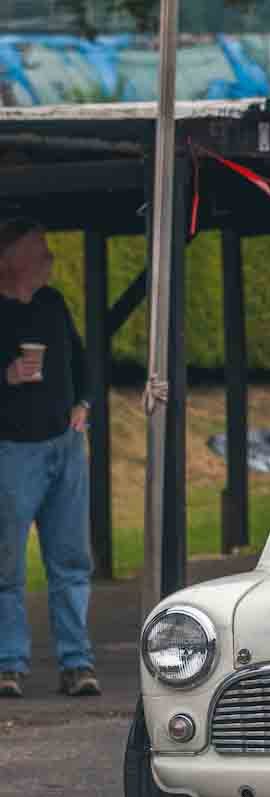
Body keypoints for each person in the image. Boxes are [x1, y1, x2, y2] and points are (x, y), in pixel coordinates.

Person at [0, 219, 98, 698]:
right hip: (11, 452)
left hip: (65, 446)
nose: (48, 255)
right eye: (38, 247)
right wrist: (9, 378)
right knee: (6, 565)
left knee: (72, 559)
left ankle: (77, 663)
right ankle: (8, 664)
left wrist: (84, 404)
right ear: (10, 257)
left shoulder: (53, 303)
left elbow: (82, 362)